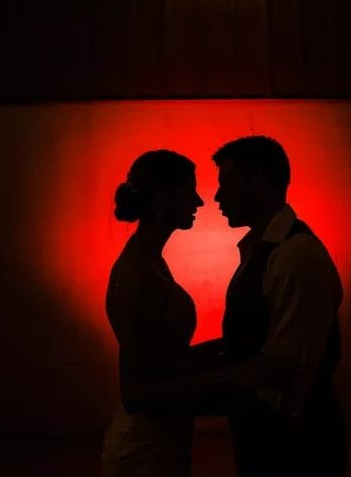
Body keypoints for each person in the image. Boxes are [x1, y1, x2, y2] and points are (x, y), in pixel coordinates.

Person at [207, 135, 347, 476]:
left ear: (257, 179)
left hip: (296, 447)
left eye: (226, 182)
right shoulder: (270, 250)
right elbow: (254, 341)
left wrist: (196, 386)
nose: (217, 196)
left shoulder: (294, 255)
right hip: (270, 437)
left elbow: (284, 362)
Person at [100, 149, 207, 477]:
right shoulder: (137, 273)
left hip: (163, 441)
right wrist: (222, 385)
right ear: (164, 195)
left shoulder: (150, 262)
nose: (200, 201)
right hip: (145, 451)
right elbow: (135, 393)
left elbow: (162, 358)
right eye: (191, 189)